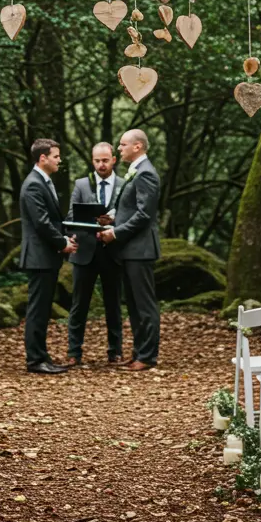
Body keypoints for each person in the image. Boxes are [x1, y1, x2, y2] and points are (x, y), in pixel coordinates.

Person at [98, 128, 160, 371]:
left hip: (141, 249)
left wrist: (115, 233)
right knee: (133, 304)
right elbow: (130, 209)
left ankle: (147, 356)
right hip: (131, 250)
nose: (118, 149)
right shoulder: (136, 172)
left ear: (137, 147)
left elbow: (144, 214)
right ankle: (138, 353)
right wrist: (112, 219)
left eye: (123, 145)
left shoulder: (146, 174)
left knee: (145, 305)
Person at [19, 138, 77, 374]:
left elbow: (51, 220)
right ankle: (35, 360)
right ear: (42, 158)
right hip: (39, 256)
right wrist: (62, 242)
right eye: (56, 156)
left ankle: (42, 356)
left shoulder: (43, 181)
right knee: (38, 309)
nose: (59, 160)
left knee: (42, 309)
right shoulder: (34, 184)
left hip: (45, 256)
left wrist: (66, 236)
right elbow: (42, 223)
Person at [66, 142, 124, 366]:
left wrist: (114, 222)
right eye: (97, 161)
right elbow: (71, 216)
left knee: (114, 304)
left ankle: (115, 352)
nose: (101, 164)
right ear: (92, 161)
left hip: (113, 252)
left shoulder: (123, 184)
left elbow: (130, 216)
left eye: (105, 160)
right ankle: (73, 352)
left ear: (113, 160)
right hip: (85, 251)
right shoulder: (81, 184)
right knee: (79, 304)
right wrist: (89, 222)